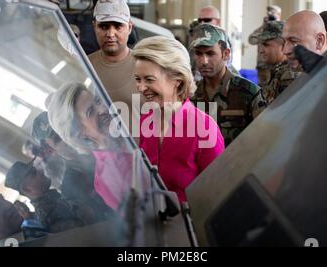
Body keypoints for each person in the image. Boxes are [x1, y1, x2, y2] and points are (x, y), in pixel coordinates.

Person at [132, 36, 225, 203]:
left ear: (177, 80)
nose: (141, 88)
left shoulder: (204, 128)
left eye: (149, 80)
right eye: (138, 79)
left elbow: (217, 194)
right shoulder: (146, 120)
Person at [47, 82, 133, 211]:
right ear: (80, 133)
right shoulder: (108, 179)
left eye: (97, 101)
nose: (103, 109)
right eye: (91, 112)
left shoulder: (131, 127)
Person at [190, 24, 265, 146]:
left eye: (210, 54)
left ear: (226, 54)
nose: (204, 61)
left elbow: (263, 140)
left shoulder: (248, 93)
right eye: (198, 54)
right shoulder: (191, 95)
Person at [32, 112, 114, 223]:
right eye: (58, 138)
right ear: (49, 150)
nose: (67, 137)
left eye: (66, 129)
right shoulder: (71, 189)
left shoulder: (105, 142)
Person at [88, 0, 141, 131]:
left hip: (142, 150)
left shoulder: (146, 67)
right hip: (102, 149)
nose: (111, 34)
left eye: (118, 26)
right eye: (104, 27)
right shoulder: (85, 67)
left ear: (129, 27)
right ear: (94, 26)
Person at [5, 161, 83, 233]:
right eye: (34, 173)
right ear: (27, 189)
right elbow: (81, 234)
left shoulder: (50, 201)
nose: (41, 172)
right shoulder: (48, 212)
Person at [254, 21, 302, 105]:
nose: (261, 50)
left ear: (283, 46)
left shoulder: (289, 76)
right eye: (260, 45)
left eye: (266, 45)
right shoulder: (276, 71)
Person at [249, 5, 283, 85]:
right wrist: (263, 26)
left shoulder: (283, 30)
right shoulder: (264, 28)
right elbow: (251, 40)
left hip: (274, 66)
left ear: (279, 15)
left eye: (274, 13)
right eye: (270, 13)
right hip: (262, 65)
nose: (261, 49)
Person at [197, 5, 236, 73]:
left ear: (218, 22)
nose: (202, 23)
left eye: (207, 20)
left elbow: (226, 65)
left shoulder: (223, 38)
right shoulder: (197, 36)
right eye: (200, 20)